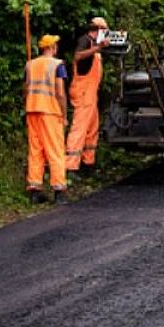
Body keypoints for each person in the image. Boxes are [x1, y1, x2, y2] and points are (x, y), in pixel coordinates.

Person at [25, 34, 69, 204]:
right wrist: (64, 115)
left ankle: (35, 190)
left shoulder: (30, 64)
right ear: (53, 47)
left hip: (32, 110)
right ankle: (59, 191)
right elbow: (60, 92)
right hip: (50, 112)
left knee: (35, 151)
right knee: (55, 150)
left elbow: (26, 87)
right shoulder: (57, 65)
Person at [67, 16, 110, 179]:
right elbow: (78, 56)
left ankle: (88, 164)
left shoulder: (95, 46)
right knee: (79, 130)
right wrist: (98, 48)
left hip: (91, 94)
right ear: (97, 30)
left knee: (92, 130)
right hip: (83, 93)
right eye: (104, 30)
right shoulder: (86, 41)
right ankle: (70, 166)